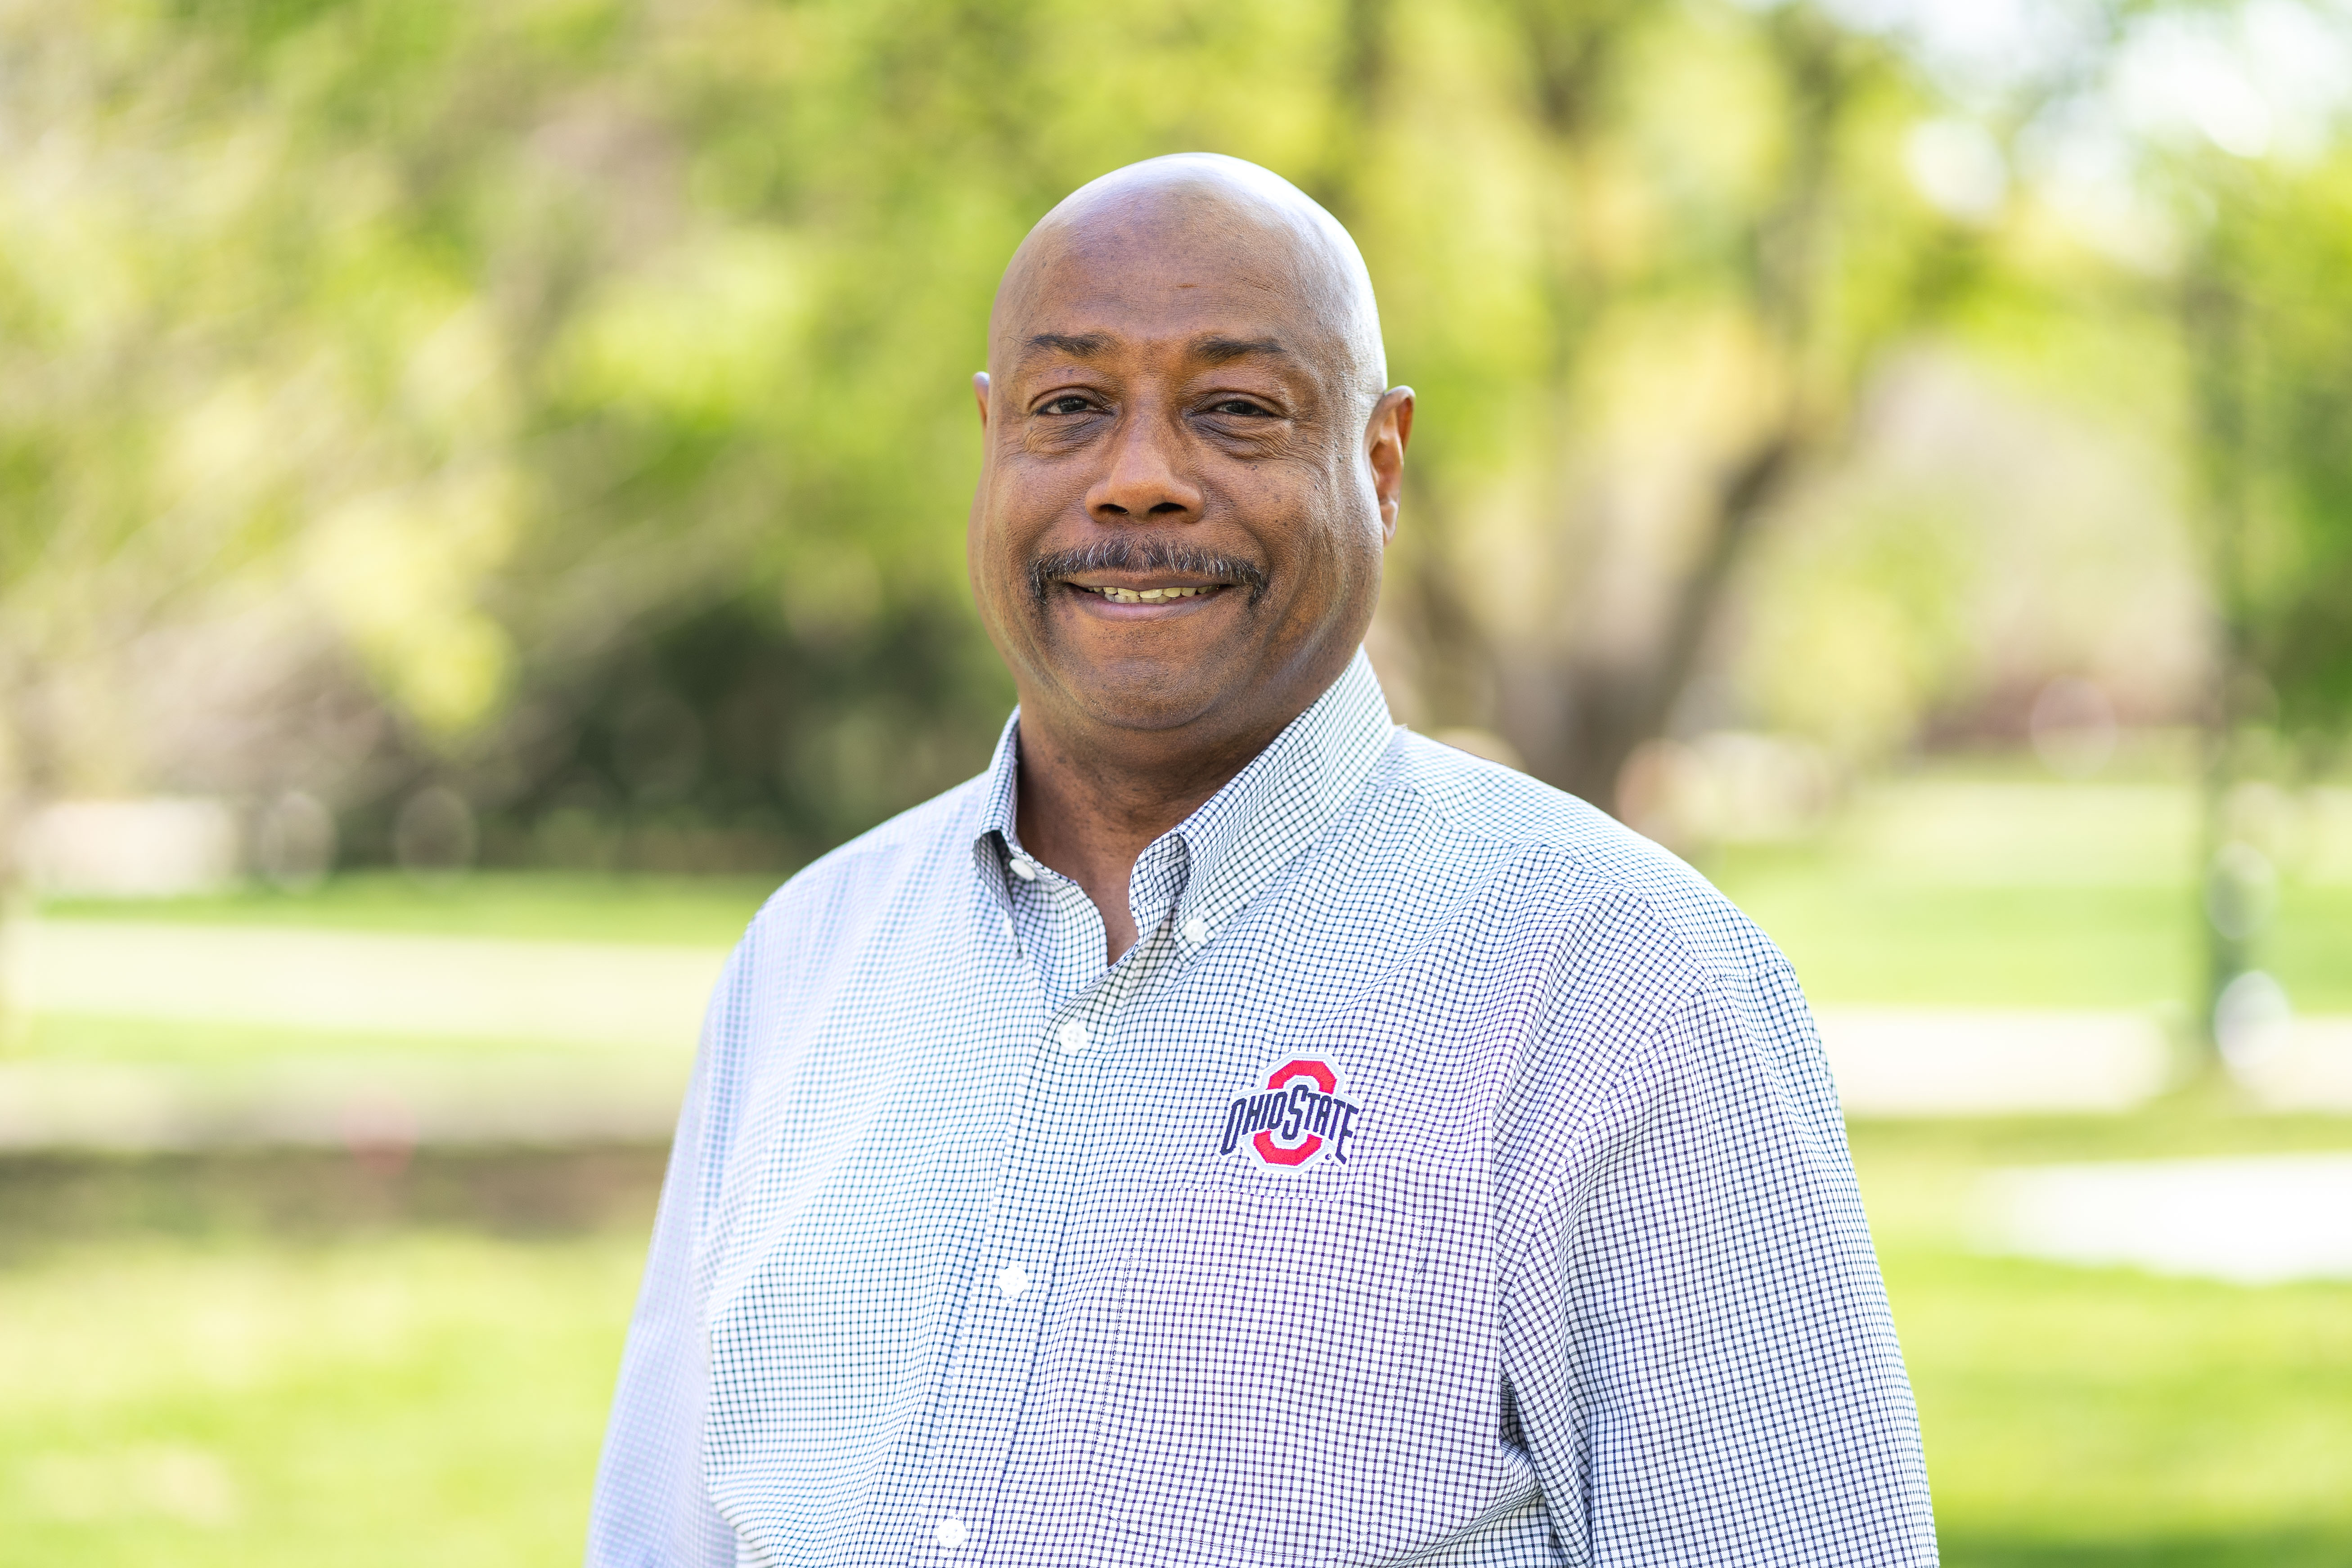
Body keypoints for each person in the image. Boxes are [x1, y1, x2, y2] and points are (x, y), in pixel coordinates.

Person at [587, 153, 1936, 1568]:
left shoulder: (1623, 985)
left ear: (1380, 462)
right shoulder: (807, 956)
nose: (1141, 480)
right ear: (992, 441)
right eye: (1070, 407)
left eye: (1235, 411)